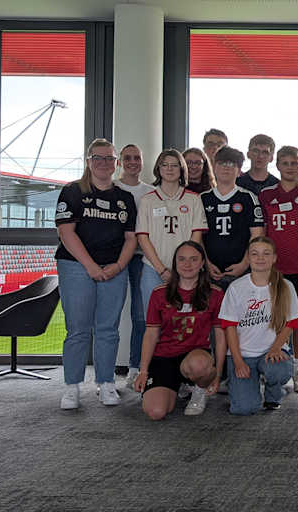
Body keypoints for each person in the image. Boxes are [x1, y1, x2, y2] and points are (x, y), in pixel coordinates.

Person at [55, 138, 137, 409]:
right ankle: (72, 386)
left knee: (108, 330)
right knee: (77, 329)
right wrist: (90, 266)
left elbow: (131, 238)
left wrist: (118, 266)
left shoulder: (124, 198)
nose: (104, 163)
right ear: (88, 161)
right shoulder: (72, 191)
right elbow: (66, 232)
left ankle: (106, 383)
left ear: (115, 163)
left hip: (114, 269)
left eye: (109, 158)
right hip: (77, 267)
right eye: (98, 158)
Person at [134, 241, 225, 419]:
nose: (187, 264)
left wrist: (218, 373)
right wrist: (143, 371)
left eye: (193, 259)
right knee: (156, 412)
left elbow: (220, 336)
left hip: (195, 356)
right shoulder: (159, 293)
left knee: (198, 365)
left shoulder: (214, 293)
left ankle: (198, 389)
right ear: (175, 263)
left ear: (202, 264)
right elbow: (151, 334)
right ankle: (179, 386)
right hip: (164, 358)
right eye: (182, 259)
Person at [259, 146, 298, 392]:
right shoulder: (266, 195)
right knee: (273, 316)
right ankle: (272, 363)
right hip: (275, 269)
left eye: (294, 163)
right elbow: (262, 233)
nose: (289, 167)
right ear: (277, 166)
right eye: (284, 163)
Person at [220, 237, 298, 414]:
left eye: (266, 254)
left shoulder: (285, 286)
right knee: (244, 409)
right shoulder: (236, 288)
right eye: (255, 254)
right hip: (243, 354)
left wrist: (275, 348)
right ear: (248, 258)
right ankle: (245, 385)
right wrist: (238, 362)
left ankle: (274, 393)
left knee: (278, 370)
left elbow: (292, 323)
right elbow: (229, 327)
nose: (260, 258)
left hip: (269, 353)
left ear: (274, 258)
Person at [136, 149, 208, 351]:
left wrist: (184, 268)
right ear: (158, 168)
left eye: (174, 165)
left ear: (182, 169)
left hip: (186, 271)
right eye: (165, 165)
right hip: (153, 269)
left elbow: (196, 237)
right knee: (151, 322)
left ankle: (183, 369)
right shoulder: (148, 200)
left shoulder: (193, 199)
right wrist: (161, 270)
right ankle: (149, 369)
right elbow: (143, 237)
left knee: (185, 322)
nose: (169, 169)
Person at [114, 143, 154, 389]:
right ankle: (105, 375)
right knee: (109, 317)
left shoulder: (150, 192)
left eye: (136, 158)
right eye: (127, 158)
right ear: (120, 162)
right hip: (114, 257)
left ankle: (136, 367)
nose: (132, 162)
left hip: (142, 258)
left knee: (141, 316)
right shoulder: (111, 187)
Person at [201, 146, 264, 290]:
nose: (226, 168)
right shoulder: (203, 199)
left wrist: (245, 263)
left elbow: (257, 234)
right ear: (214, 166)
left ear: (239, 170)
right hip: (209, 271)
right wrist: (205, 262)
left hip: (241, 270)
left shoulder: (248, 197)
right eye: (222, 163)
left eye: (232, 164)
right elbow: (197, 236)